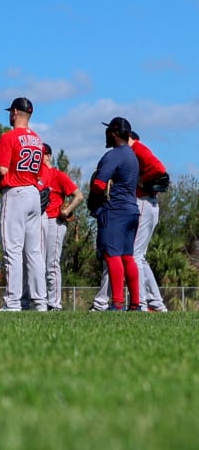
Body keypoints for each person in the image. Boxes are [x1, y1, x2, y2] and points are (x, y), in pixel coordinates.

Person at [90, 128, 170, 312]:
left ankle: (139, 303)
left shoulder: (137, 149)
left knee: (131, 256)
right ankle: (155, 302)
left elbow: (159, 169)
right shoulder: (132, 153)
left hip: (141, 202)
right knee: (137, 256)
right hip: (141, 205)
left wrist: (140, 182)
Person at [0, 96, 47, 311]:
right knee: (33, 252)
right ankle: (40, 301)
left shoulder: (8, 137)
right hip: (34, 192)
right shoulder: (37, 139)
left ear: (15, 112)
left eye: (10, 112)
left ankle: (13, 302)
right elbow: (41, 173)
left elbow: (3, 170)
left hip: (15, 193)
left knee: (13, 250)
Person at [87, 117, 141, 311]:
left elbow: (99, 184)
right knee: (128, 256)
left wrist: (93, 198)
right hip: (132, 210)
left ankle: (117, 303)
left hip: (115, 211)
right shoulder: (132, 156)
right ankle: (135, 303)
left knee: (112, 255)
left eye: (109, 130)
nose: (106, 134)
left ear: (115, 133)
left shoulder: (114, 155)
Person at [39, 144, 83, 311]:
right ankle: (40, 301)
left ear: (48, 156)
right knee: (38, 264)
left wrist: (66, 210)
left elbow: (78, 195)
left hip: (54, 222)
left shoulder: (58, 175)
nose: (38, 157)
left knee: (51, 263)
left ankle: (54, 303)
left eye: (41, 154)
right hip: (38, 221)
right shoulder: (35, 174)